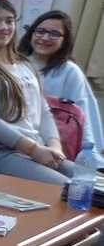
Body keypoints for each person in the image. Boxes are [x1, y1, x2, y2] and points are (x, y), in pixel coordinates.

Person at [0, 0, 72, 186]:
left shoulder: (25, 64)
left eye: (9, 21)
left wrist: (54, 146)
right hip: (4, 153)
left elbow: (44, 111)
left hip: (39, 149)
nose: (3, 27)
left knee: (94, 185)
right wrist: (33, 150)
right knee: (69, 190)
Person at [20, 9, 101, 153]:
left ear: (65, 40)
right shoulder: (16, 65)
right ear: (31, 33)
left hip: (56, 145)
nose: (45, 38)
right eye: (40, 31)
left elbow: (82, 115)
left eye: (54, 34)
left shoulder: (69, 71)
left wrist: (89, 155)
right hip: (17, 139)